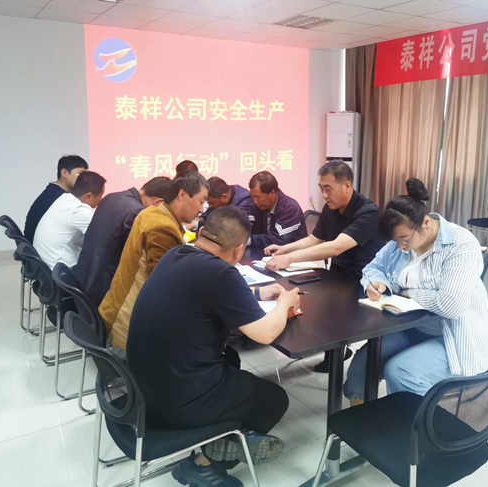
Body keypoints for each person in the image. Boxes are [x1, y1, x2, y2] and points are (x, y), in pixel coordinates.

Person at [127, 206, 299, 487]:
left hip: (141, 389)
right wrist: (285, 303)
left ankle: (230, 435)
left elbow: (207, 294)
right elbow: (265, 334)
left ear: (203, 233)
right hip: (178, 401)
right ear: (239, 249)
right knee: (274, 400)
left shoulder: (176, 253)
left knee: (231, 359)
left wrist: (256, 292)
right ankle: (203, 464)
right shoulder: (221, 273)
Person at [343, 179, 488, 405]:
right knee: (363, 363)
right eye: (395, 240)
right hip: (411, 326)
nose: (400, 246)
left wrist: (409, 293)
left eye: (404, 240)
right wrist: (375, 282)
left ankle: (411, 424)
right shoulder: (401, 237)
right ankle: (360, 418)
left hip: (453, 336)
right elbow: (372, 268)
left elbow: (451, 306)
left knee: (401, 371)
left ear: (425, 222)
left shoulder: (461, 245)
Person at [265, 161, 386, 373]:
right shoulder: (331, 208)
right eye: (321, 188)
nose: (323, 195)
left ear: (346, 185)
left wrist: (290, 258)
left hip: (363, 281)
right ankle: (332, 350)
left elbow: (336, 247)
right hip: (337, 274)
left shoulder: (368, 212)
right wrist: (284, 249)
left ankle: (337, 353)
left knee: (328, 308)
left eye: (328, 189)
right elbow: (315, 239)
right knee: (306, 295)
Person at [99, 171, 209, 354]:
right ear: (182, 194)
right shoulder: (163, 228)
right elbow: (164, 288)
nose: (201, 209)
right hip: (128, 332)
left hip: (115, 315)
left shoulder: (152, 213)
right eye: (201, 201)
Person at [74, 177, 172, 307]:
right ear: (158, 202)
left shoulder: (111, 197)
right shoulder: (137, 213)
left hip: (83, 274)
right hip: (102, 289)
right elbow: (137, 256)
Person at [33, 171, 106, 270]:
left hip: (45, 266)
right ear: (89, 195)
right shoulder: (79, 210)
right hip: (60, 271)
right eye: (101, 195)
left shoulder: (64, 199)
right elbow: (104, 238)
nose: (101, 200)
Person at [24, 155, 88, 243]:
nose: (84, 179)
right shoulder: (60, 198)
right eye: (81, 174)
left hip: (34, 245)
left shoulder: (52, 192)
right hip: (41, 246)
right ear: (64, 173)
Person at [248, 171, 307, 247]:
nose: (255, 201)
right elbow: (247, 227)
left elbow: (278, 239)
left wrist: (249, 240)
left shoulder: (290, 209)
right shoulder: (256, 206)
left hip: (292, 252)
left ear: (272, 193)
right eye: (252, 196)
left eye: (257, 197)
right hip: (264, 251)